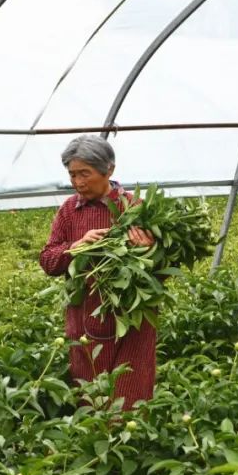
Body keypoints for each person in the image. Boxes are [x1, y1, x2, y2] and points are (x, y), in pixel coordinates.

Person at [40, 135, 157, 410]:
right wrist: (76, 247)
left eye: (85, 174)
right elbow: (48, 260)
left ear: (109, 170)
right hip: (84, 322)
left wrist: (147, 252)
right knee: (92, 400)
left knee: (130, 399)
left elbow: (160, 277)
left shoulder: (136, 209)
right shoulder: (70, 210)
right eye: (72, 175)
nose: (78, 183)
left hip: (132, 322)